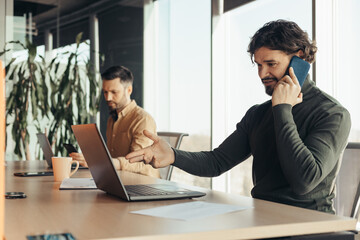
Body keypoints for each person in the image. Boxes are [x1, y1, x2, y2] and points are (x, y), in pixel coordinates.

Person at [126, 20, 351, 213]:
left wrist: (283, 109)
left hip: (310, 225)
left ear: (299, 59)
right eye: (259, 65)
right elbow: (218, 162)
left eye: (271, 64)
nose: (263, 74)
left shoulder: (332, 114)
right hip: (262, 216)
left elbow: (304, 181)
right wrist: (173, 155)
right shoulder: (258, 114)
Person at [70, 65, 160, 178]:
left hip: (144, 182)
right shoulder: (112, 119)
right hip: (120, 179)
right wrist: (92, 160)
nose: (108, 98)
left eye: (114, 92)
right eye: (105, 92)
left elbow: (139, 163)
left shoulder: (143, 120)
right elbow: (111, 157)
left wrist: (99, 163)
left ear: (129, 90)